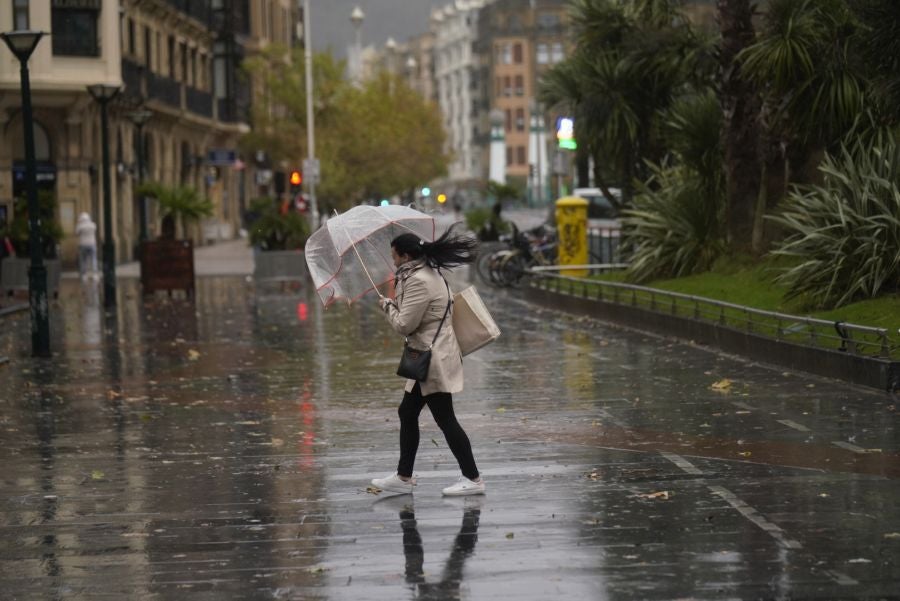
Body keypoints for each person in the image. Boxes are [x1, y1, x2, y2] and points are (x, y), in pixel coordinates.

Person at [372, 225, 485, 497]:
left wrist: (387, 305)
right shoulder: (422, 275)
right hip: (428, 356)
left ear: (406, 256)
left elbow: (403, 324)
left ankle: (473, 478)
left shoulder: (419, 281)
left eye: (395, 256)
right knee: (407, 413)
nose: (393, 261)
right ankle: (403, 476)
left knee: (445, 418)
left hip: (432, 359)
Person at [74, 212, 98, 279]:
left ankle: (84, 275)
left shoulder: (80, 226)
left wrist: (79, 223)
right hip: (92, 244)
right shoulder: (93, 225)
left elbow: (76, 232)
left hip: (83, 245)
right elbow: (95, 229)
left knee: (83, 260)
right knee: (93, 259)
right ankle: (95, 274)